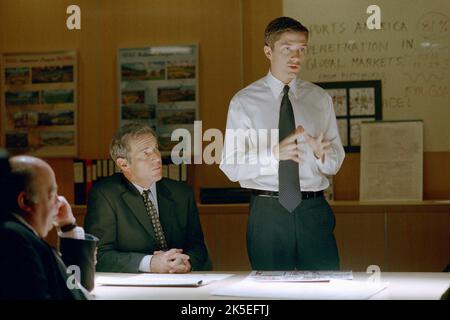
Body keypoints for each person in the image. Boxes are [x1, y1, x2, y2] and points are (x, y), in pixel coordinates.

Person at [220, 16, 345, 271]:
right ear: (268, 51)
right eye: (287, 48)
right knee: (270, 289)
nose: (295, 56)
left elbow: (334, 163)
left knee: (327, 288)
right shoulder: (244, 102)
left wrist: (322, 154)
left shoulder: (320, 99)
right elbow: (231, 167)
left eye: (302, 49)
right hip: (268, 213)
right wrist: (274, 154)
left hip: (314, 209)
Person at [84, 122, 209, 273]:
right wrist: (149, 263)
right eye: (146, 153)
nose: (157, 157)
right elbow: (99, 256)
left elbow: (198, 248)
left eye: (156, 149)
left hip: (182, 281)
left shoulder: (182, 193)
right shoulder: (105, 195)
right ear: (124, 164)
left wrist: (186, 262)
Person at [0, 155, 96, 299]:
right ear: (25, 201)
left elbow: (73, 286)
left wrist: (68, 227)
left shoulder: (20, 234)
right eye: (52, 195)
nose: (60, 203)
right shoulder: (14, 240)